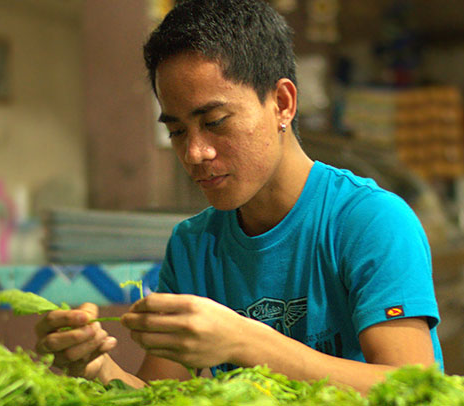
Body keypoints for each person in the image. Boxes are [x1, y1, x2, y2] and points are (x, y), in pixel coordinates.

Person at [34, 0, 442, 393]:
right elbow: (159, 395)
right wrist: (96, 368)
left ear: (282, 103)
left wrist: (244, 343)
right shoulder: (194, 246)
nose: (195, 153)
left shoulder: (370, 223)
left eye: (214, 122)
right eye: (177, 131)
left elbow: (417, 391)